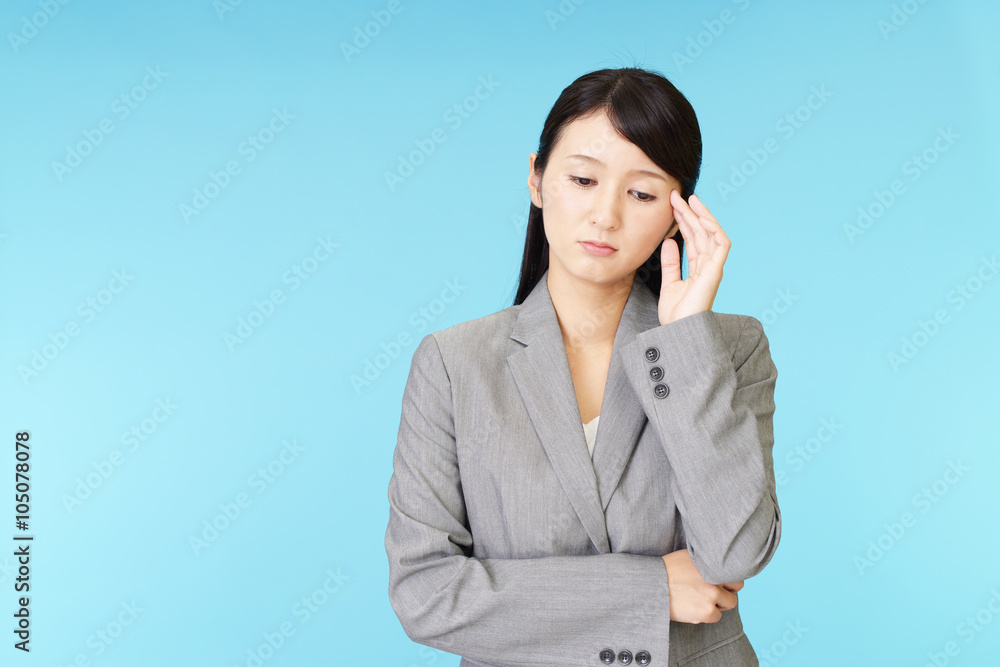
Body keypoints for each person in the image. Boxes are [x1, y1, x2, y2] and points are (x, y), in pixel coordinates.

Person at [385, 66, 780, 667]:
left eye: (642, 193)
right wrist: (648, 592)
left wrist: (683, 343)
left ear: (679, 214)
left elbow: (736, 552)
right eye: (583, 179)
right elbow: (427, 595)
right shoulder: (454, 363)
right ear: (537, 179)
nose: (606, 216)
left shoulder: (730, 347)